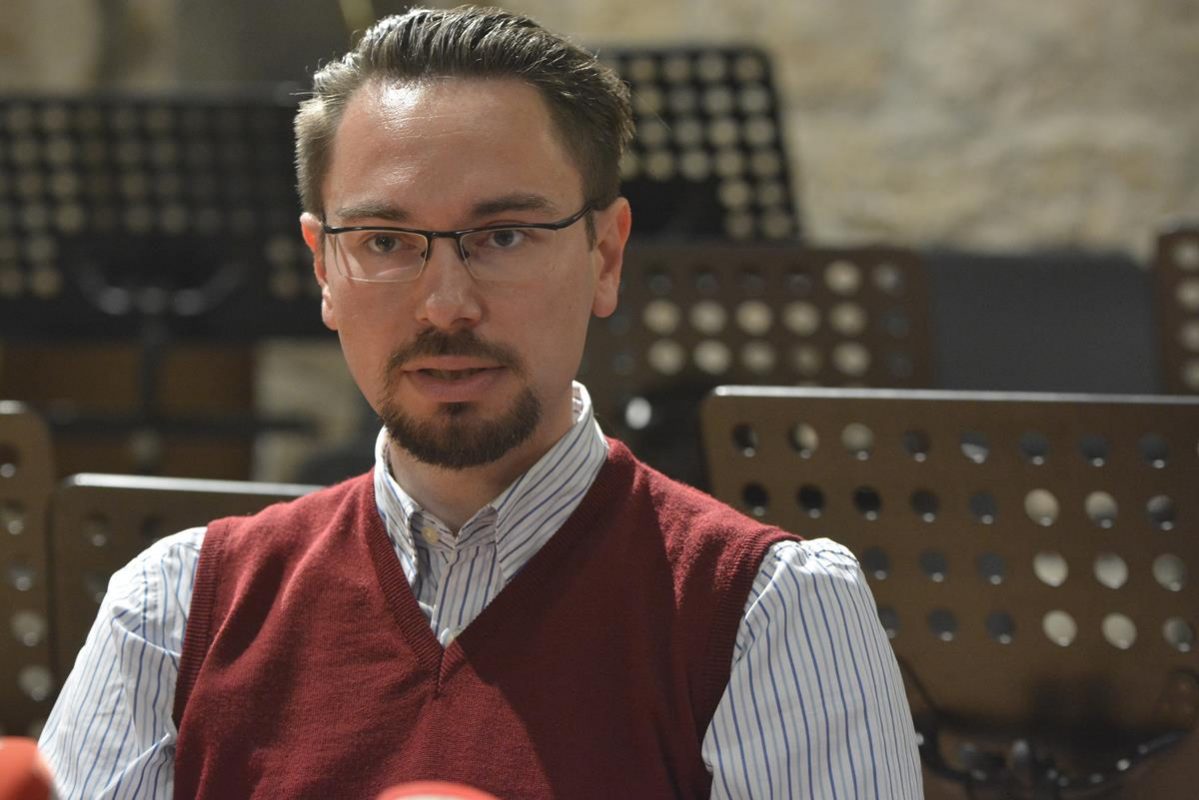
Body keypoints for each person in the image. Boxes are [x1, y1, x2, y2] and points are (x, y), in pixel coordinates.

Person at [39, 6, 922, 798]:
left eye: (502, 235)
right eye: (384, 240)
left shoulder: (770, 612)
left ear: (605, 256)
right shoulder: (171, 611)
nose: (444, 305)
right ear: (324, 269)